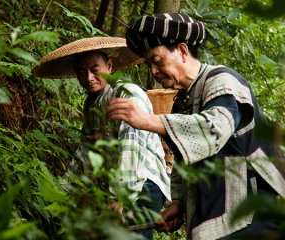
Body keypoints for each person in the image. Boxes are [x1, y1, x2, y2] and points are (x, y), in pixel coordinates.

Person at [106, 13, 285, 240]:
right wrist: (179, 203)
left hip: (251, 214)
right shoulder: (183, 101)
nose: (153, 71)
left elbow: (214, 128)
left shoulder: (223, 81)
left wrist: (148, 120)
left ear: (182, 51)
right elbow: (183, 160)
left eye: (157, 61)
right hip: (218, 213)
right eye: (149, 64)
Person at [32, 37, 171, 240]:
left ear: (110, 66)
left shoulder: (126, 94)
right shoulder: (91, 104)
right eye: (81, 72)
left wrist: (119, 200)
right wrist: (62, 193)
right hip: (116, 187)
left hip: (143, 182)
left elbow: (131, 148)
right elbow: (86, 152)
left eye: (94, 70)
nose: (88, 77)